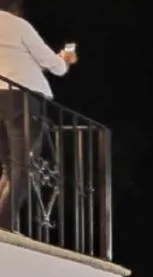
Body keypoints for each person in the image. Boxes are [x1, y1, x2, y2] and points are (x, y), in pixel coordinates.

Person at [0, 0, 77, 227]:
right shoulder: (18, 25)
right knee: (22, 166)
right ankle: (4, 225)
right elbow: (56, 67)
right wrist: (65, 60)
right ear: (16, 9)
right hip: (21, 99)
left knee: (8, 165)